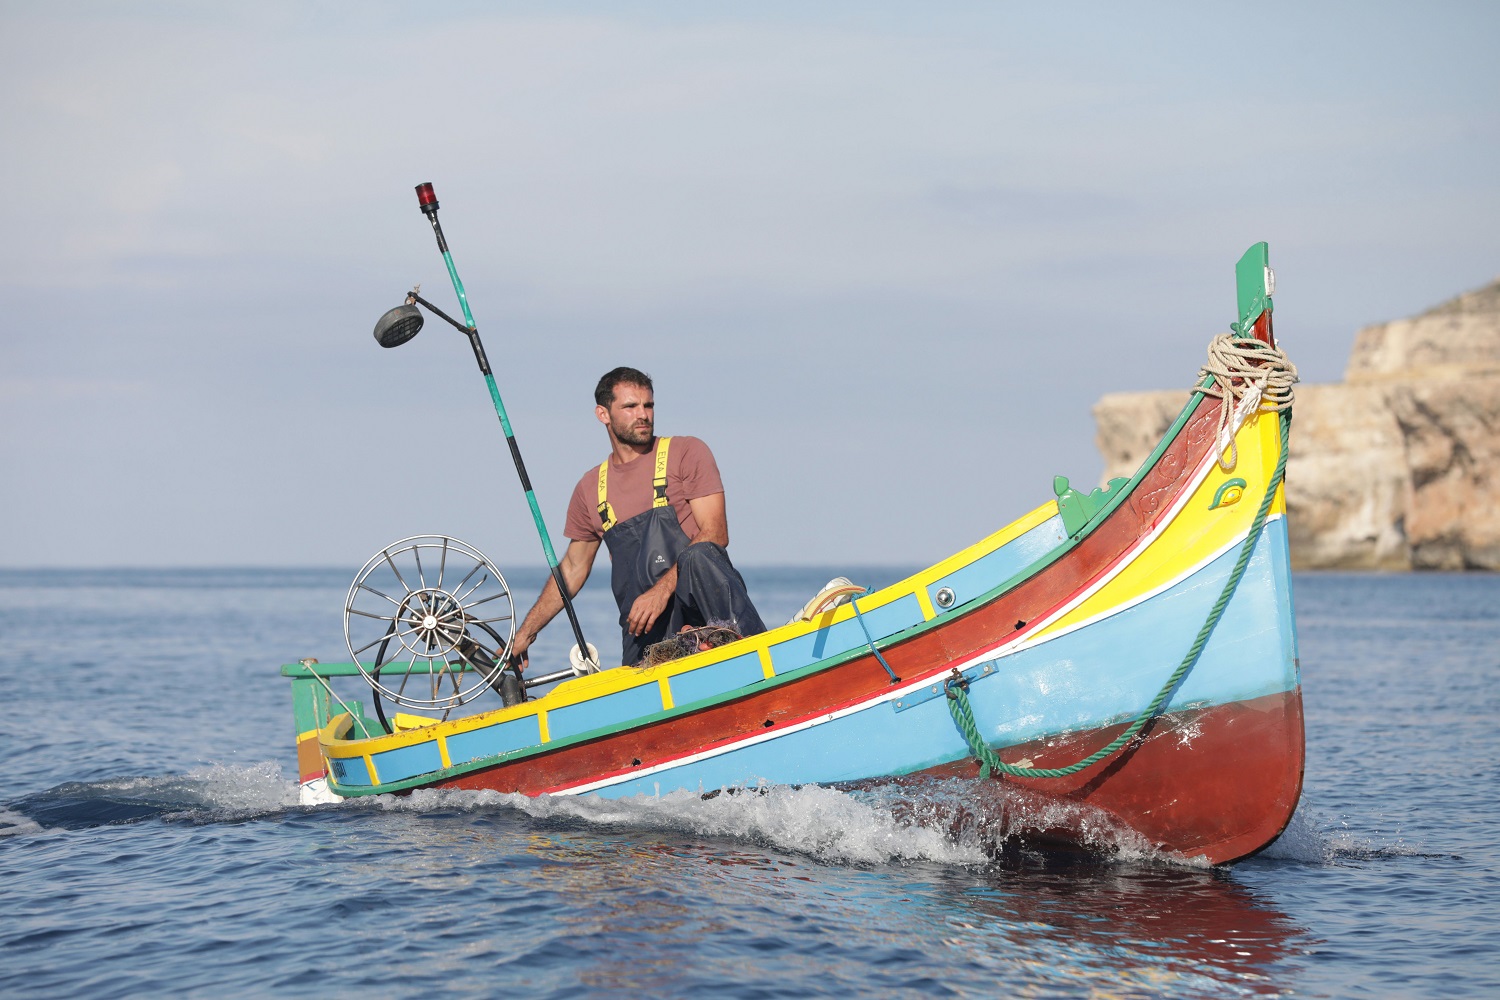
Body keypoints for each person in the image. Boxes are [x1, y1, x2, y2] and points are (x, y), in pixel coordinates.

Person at [508, 367, 767, 671]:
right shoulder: (590, 488)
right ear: (603, 414)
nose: (643, 414)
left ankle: (746, 652)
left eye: (648, 405)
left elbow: (715, 533)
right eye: (630, 407)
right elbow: (572, 569)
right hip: (645, 631)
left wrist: (660, 591)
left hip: (703, 613)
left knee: (699, 554)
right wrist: (524, 634)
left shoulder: (686, 452)